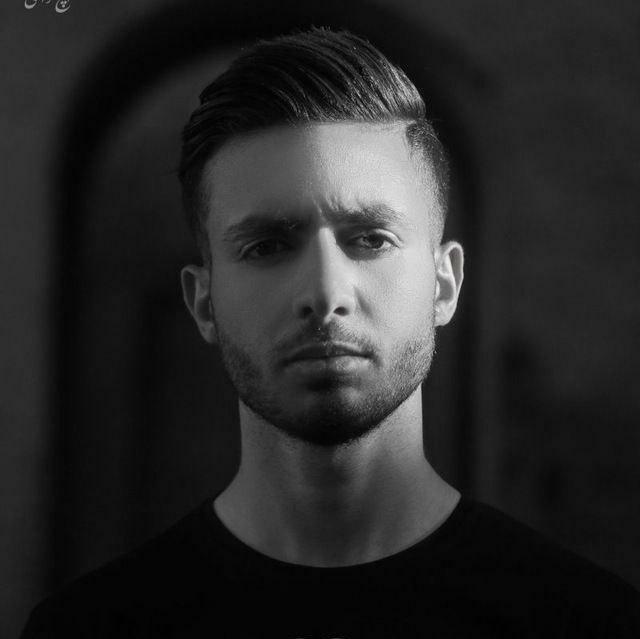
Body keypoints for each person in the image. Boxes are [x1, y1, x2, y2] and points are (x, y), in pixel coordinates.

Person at [22, 27, 640, 639]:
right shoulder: (88, 628)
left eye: (370, 239)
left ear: (444, 284)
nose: (324, 292)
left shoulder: (590, 623)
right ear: (203, 302)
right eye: (267, 246)